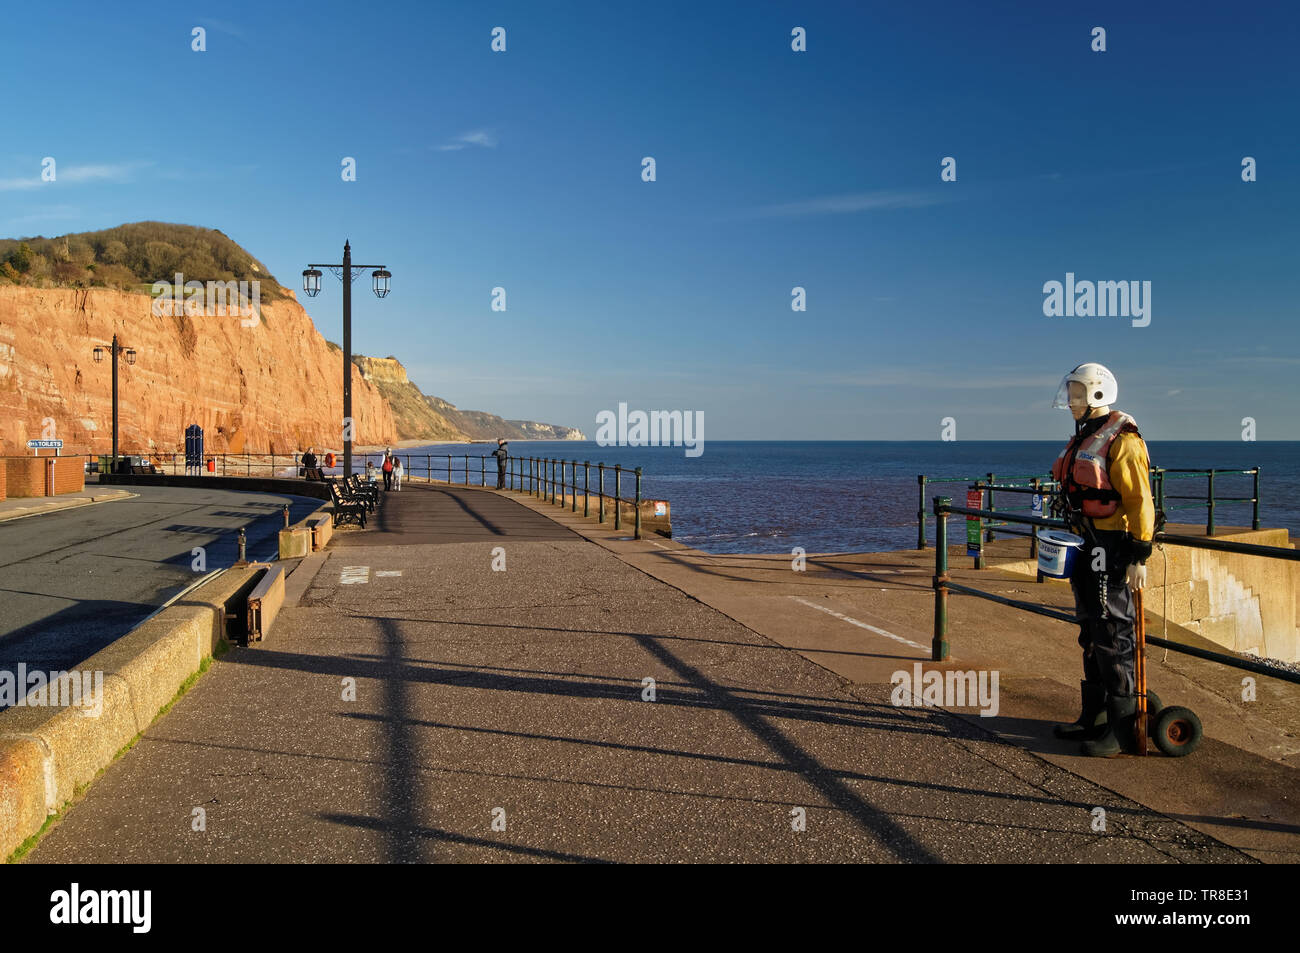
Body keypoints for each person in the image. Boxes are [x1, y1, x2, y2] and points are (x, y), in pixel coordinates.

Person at [1048, 363, 1156, 757]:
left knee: (1112, 631)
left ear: (1097, 394)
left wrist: (1139, 553)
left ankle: (1123, 729)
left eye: (1078, 393)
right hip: (1084, 541)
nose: (1072, 400)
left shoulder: (1122, 441)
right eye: (1071, 392)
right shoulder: (1085, 436)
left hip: (1109, 546)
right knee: (1090, 630)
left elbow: (1140, 500)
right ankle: (1093, 716)